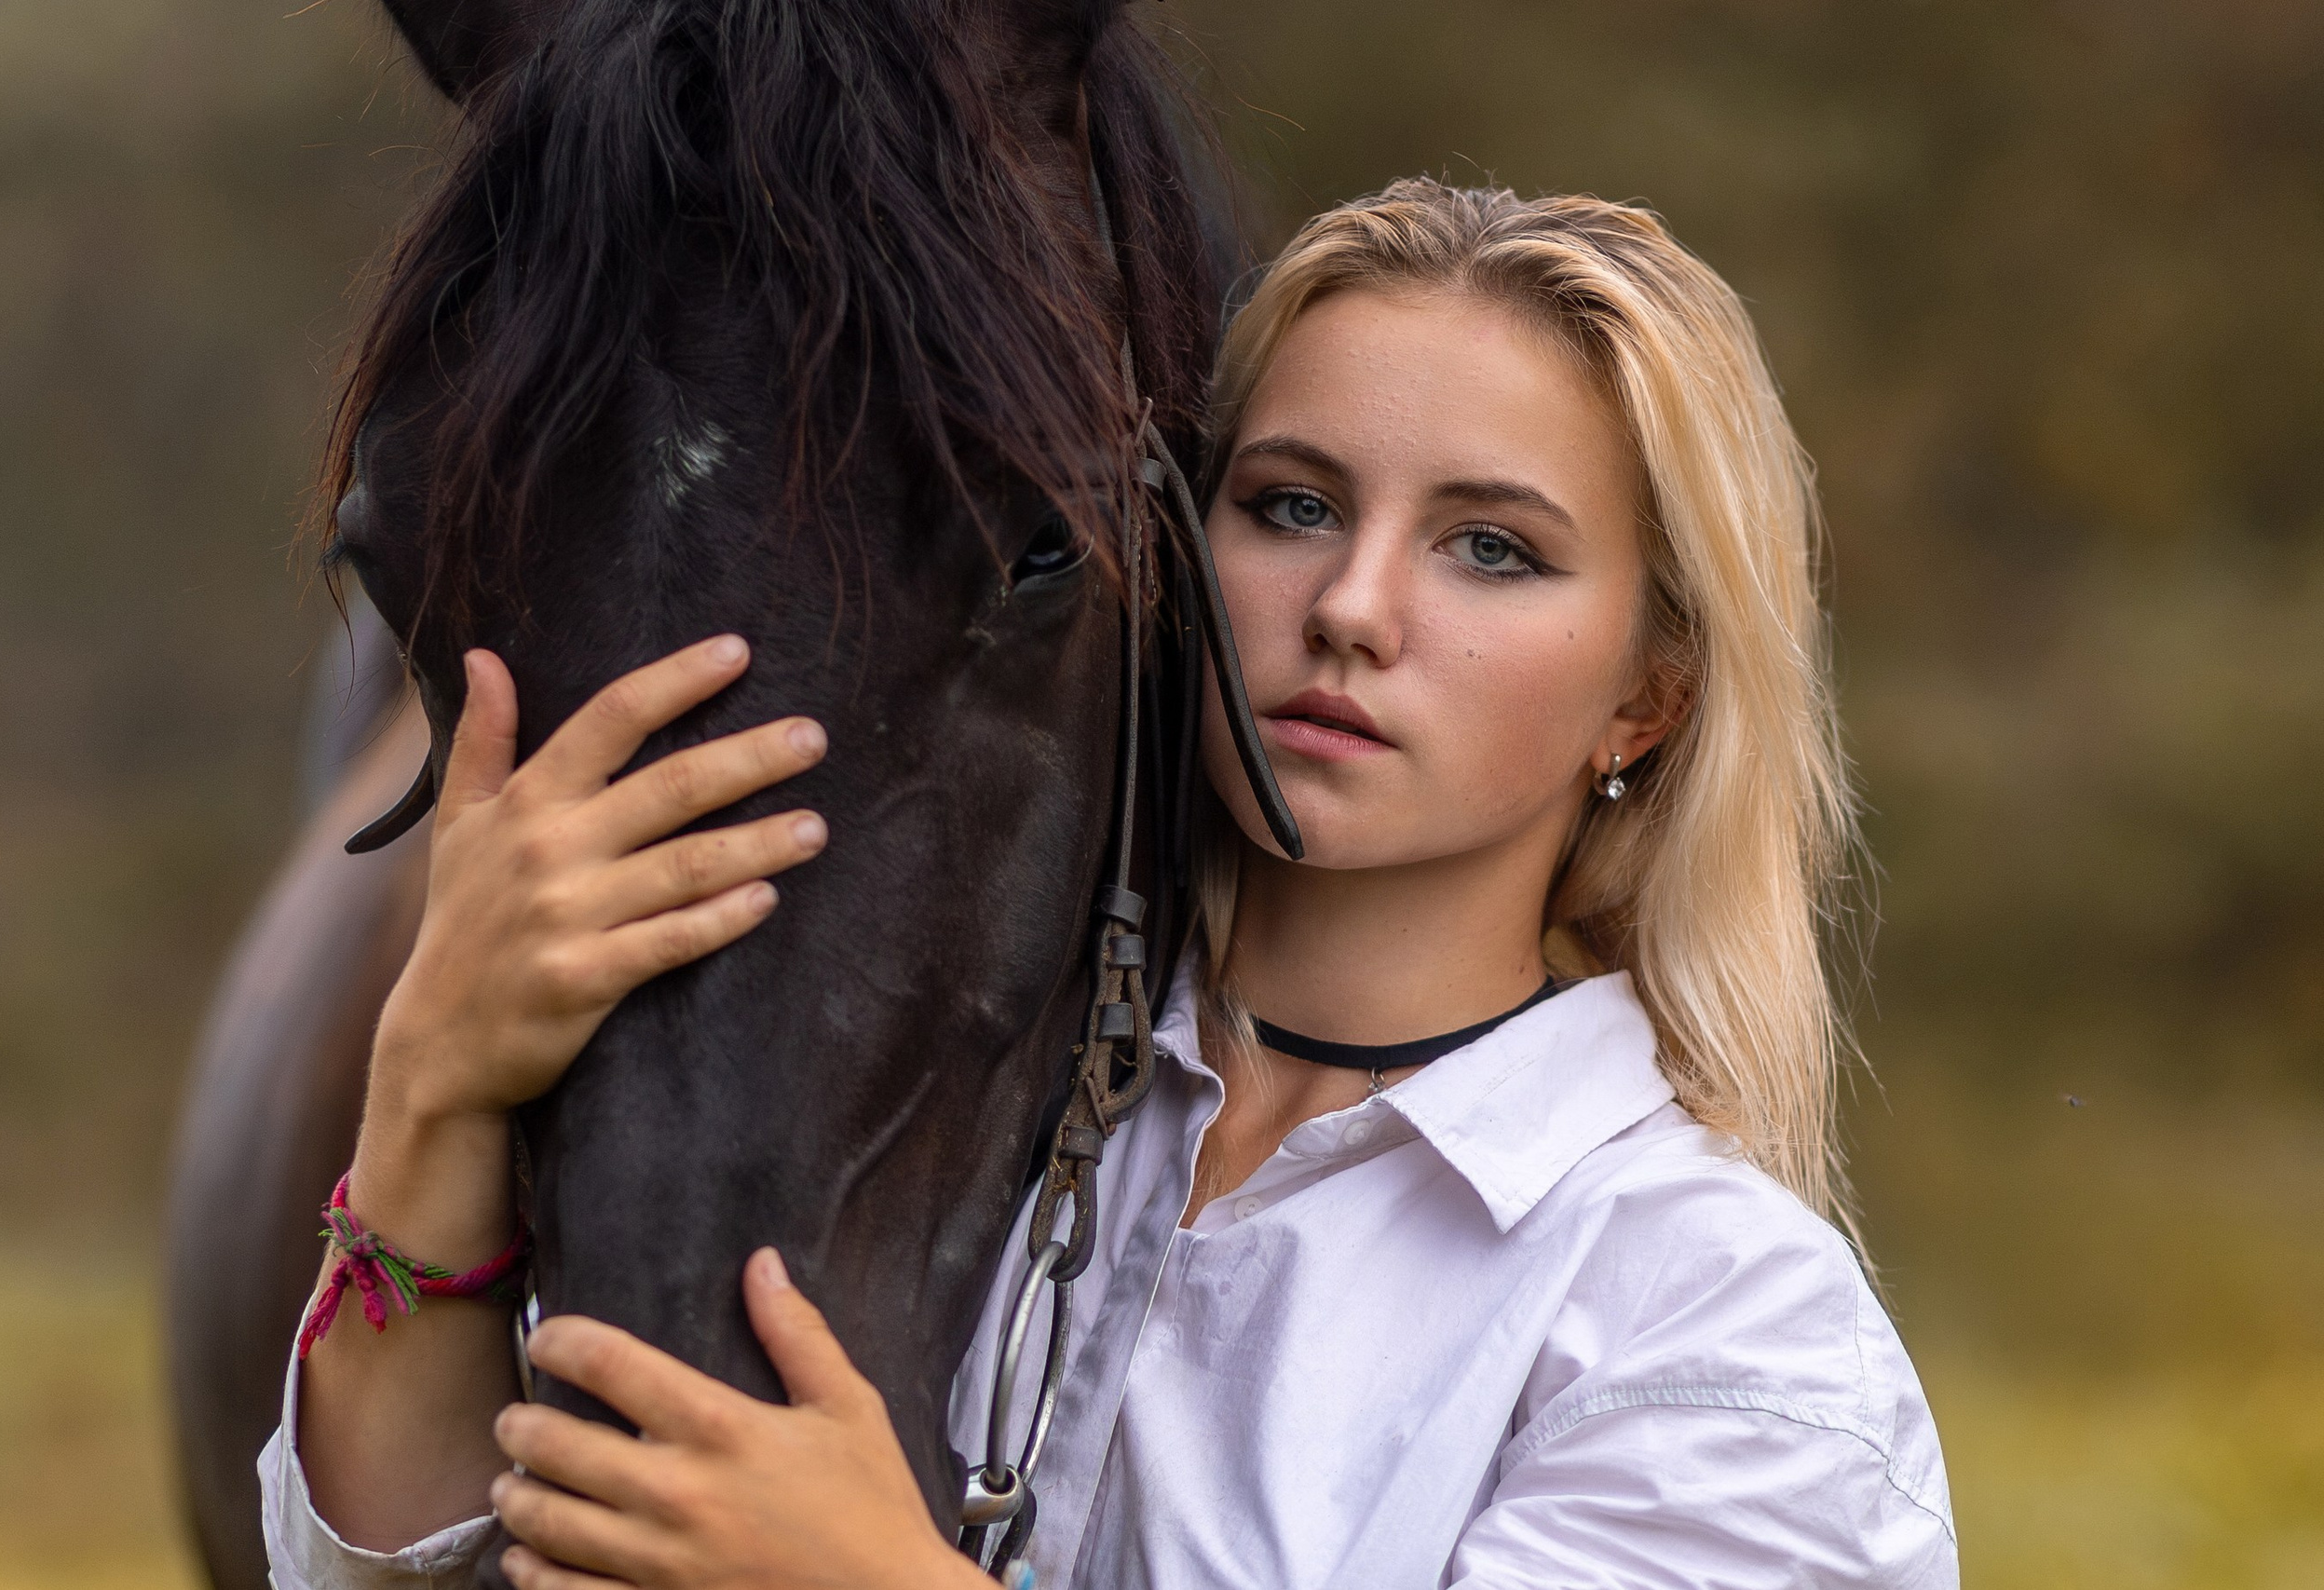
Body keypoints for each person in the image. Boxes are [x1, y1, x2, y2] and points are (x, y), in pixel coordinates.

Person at [263, 182, 1957, 1589]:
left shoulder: (1719, 1337)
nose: (1354, 605)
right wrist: (429, 1090)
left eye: (1490, 547)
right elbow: (415, 1567)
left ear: (1648, 694)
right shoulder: (945, 1103)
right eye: (1290, 505)